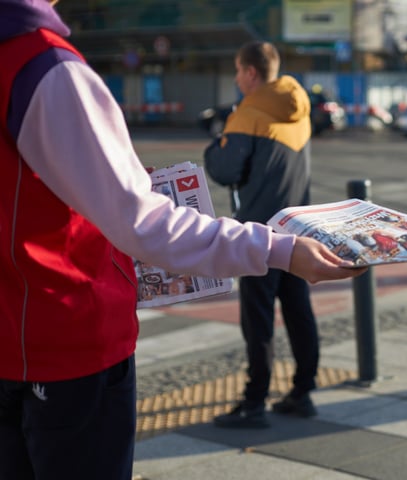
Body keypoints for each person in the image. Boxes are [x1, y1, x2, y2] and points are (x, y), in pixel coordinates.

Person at [0, 2, 363, 479]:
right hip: (65, 339)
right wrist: (279, 249)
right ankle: (294, 389)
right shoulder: (45, 66)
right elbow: (142, 223)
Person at [204, 41, 324, 429]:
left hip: (258, 232)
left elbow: (224, 170)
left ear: (251, 72)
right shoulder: (299, 107)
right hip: (297, 227)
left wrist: (217, 142)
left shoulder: (248, 113)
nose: (238, 78)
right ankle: (302, 392)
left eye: (239, 71)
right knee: (297, 308)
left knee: (258, 319)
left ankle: (254, 403)